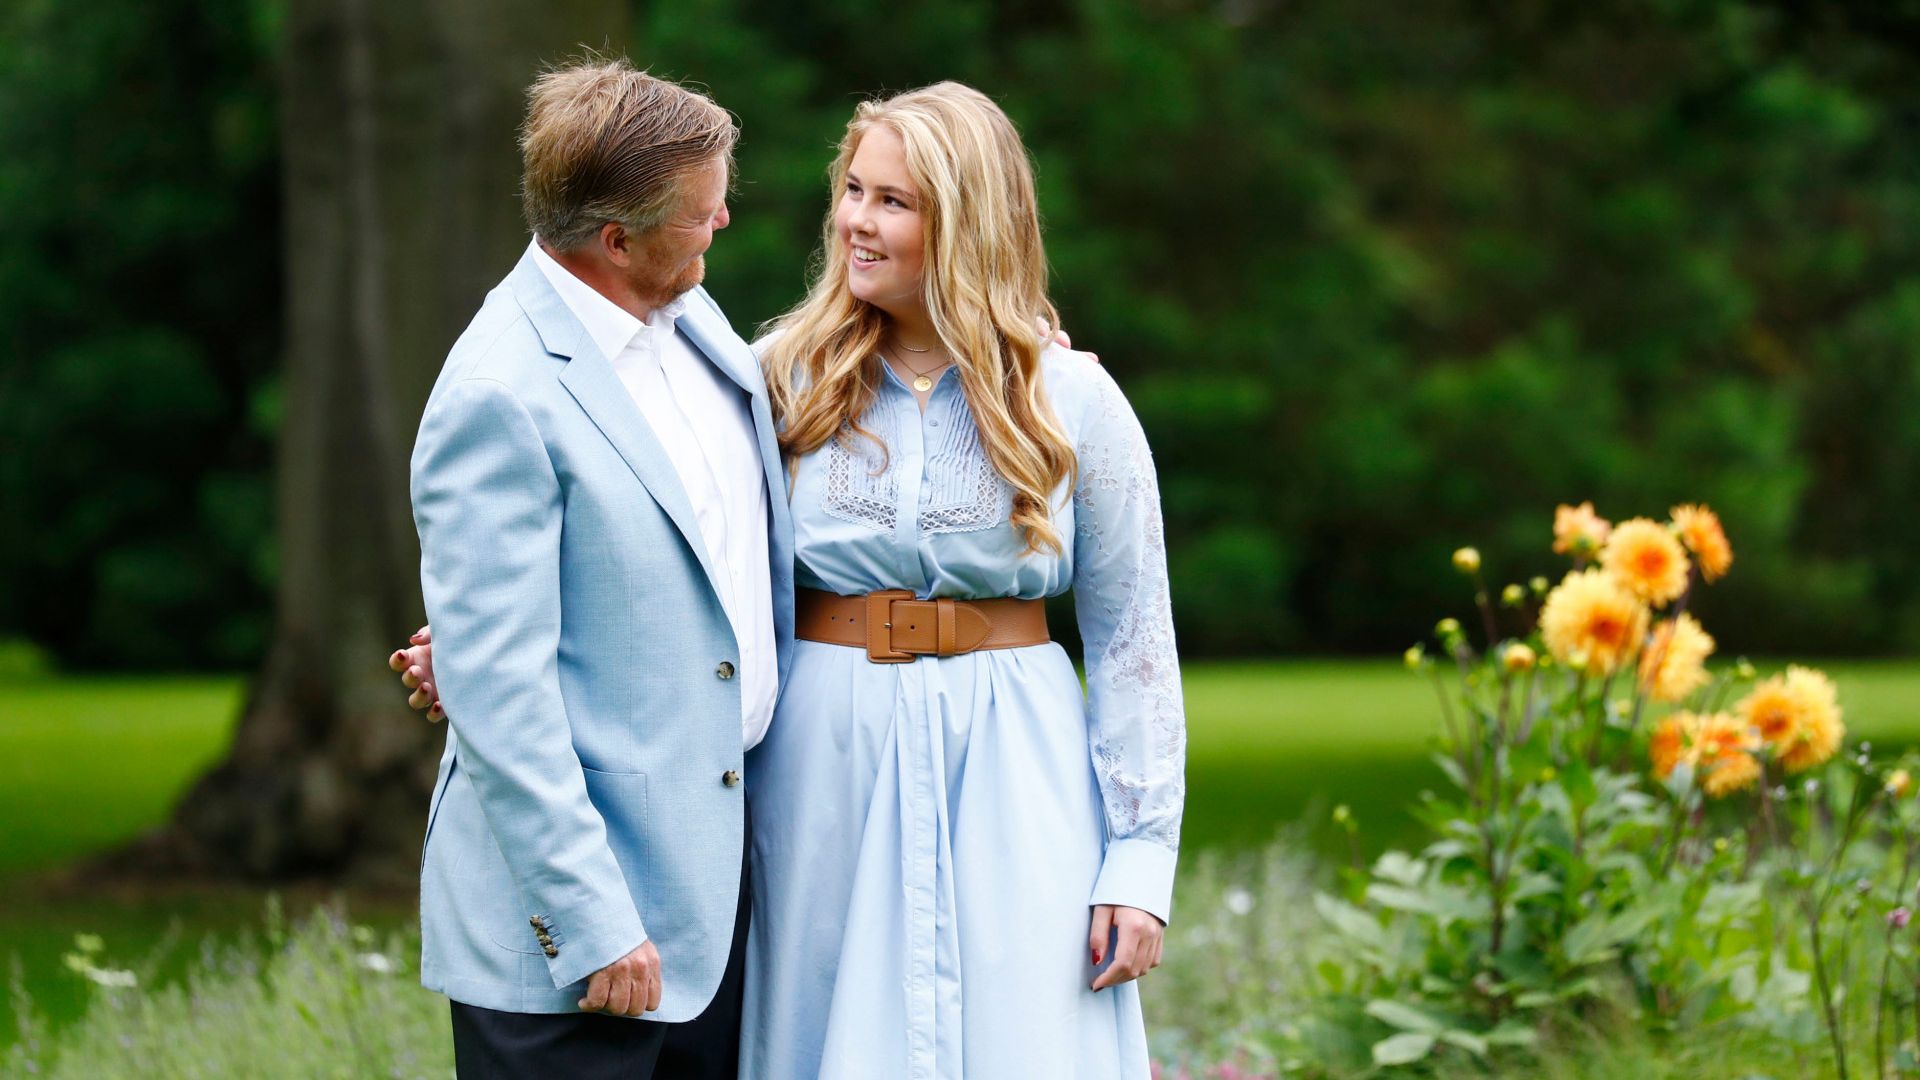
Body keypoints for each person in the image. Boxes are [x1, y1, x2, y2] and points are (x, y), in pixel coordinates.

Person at [398, 80, 1184, 1079]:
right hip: (820, 778)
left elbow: (1131, 641)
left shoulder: (1073, 397)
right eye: (852, 189)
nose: (855, 218)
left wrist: (1139, 859)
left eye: (893, 201)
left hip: (1016, 771)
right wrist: (464, 649)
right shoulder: (773, 374)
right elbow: (660, 540)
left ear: (972, 219)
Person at [403, 58, 791, 1079]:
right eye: (704, 213)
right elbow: (504, 699)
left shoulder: (694, 318)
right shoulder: (497, 395)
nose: (721, 227)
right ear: (614, 238)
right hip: (581, 947)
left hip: (712, 907)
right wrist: (591, 922)